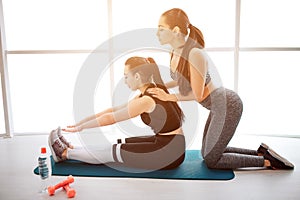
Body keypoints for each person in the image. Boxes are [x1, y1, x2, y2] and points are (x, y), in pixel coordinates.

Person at [148, 8, 294, 170]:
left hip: (228, 105)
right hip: (217, 106)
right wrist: (158, 87)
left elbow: (198, 93)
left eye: (161, 29)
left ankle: (267, 162)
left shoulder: (194, 53)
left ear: (175, 31)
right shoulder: (175, 52)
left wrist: (169, 97)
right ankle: (261, 153)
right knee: (207, 153)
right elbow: (181, 81)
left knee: (212, 160)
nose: (157, 33)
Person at [48, 56, 185, 170]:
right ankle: (73, 148)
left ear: (137, 76)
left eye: (126, 76)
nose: (125, 81)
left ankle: (65, 154)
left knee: (112, 152)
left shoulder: (147, 100)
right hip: (169, 144)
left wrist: (82, 128)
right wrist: (81, 123)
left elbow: (110, 118)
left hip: (170, 153)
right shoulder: (151, 91)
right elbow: (113, 110)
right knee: (118, 143)